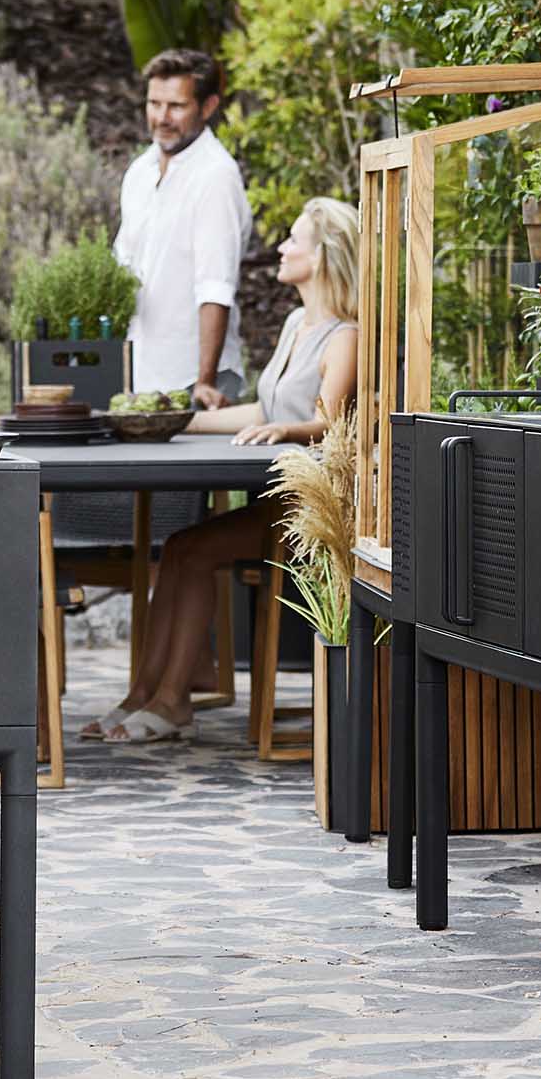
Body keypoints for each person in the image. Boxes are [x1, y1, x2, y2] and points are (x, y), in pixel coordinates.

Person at [83, 196, 361, 744]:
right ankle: (145, 695)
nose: (281, 248)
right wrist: (180, 420)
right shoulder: (297, 322)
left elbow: (327, 423)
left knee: (193, 548)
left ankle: (171, 703)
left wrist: (287, 431)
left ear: (323, 257)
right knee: (181, 547)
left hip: (309, 511)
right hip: (274, 499)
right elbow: (264, 410)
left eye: (294, 240)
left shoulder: (344, 337)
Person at [113, 48, 251, 407]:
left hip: (195, 382)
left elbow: (216, 287)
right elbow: (121, 268)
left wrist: (204, 382)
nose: (162, 117)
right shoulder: (140, 172)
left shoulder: (216, 176)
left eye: (176, 106)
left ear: (207, 107)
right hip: (140, 378)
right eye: (154, 103)